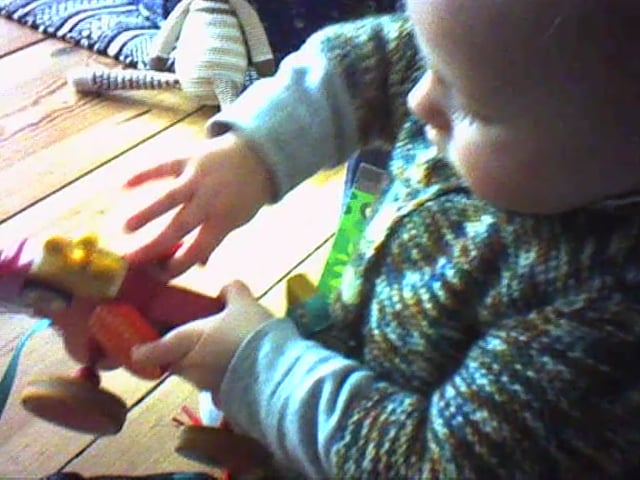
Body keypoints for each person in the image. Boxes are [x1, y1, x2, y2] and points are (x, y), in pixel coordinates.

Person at [49, 0, 640, 477]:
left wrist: (263, 372)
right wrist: (254, 148)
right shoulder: (515, 80)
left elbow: (430, 463)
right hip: (360, 352)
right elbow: (377, 58)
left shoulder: (603, 326)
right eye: (431, 60)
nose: (419, 99)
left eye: (472, 109)